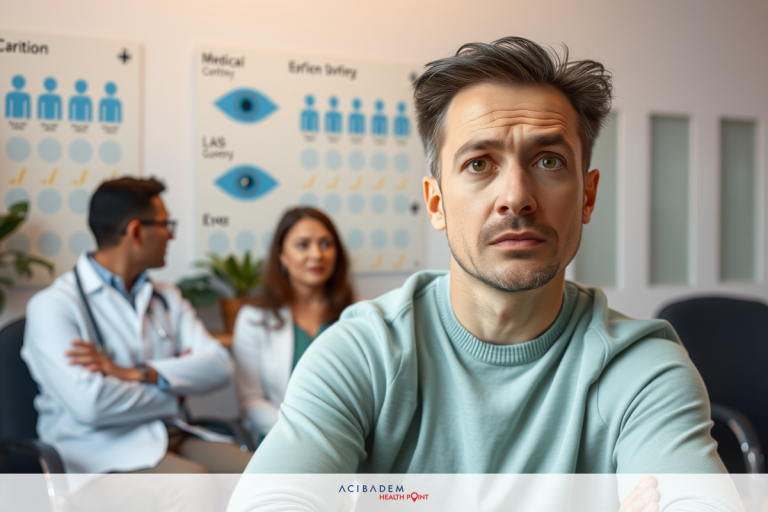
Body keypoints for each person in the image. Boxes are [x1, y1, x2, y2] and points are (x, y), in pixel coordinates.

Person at [229, 37, 731, 511]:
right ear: (436, 201)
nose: (516, 196)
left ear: (588, 196)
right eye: (479, 164)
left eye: (549, 160)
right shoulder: (363, 352)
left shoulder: (642, 370)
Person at [22, 177, 252, 482]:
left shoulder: (167, 296)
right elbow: (91, 404)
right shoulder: (53, 306)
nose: (171, 236)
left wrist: (139, 374)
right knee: (194, 484)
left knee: (263, 476)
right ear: (136, 231)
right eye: (165, 225)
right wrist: (177, 392)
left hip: (173, 433)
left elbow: (220, 366)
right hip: (100, 452)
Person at [232, 206, 354, 442]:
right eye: (302, 245)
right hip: (280, 440)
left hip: (346, 439)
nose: (317, 254)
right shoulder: (253, 318)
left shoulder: (355, 316)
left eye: (326, 244)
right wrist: (304, 433)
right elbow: (250, 401)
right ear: (282, 255)